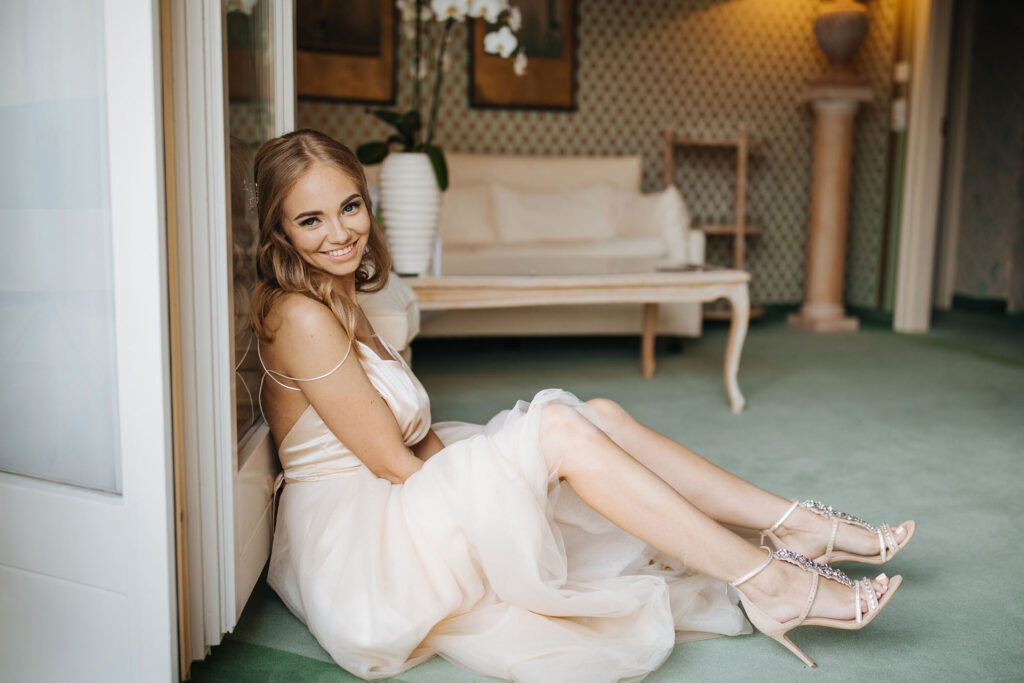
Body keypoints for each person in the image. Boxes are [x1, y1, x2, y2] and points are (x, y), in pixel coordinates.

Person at [251, 130, 915, 682]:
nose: (340, 233)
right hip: (364, 538)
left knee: (599, 416)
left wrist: (507, 468)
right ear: (278, 228)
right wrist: (505, 481)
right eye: (311, 219)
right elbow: (393, 462)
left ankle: (796, 525)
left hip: (397, 485)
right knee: (559, 431)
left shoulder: (340, 290)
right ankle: (771, 581)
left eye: (350, 207)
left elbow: (416, 435)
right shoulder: (301, 316)